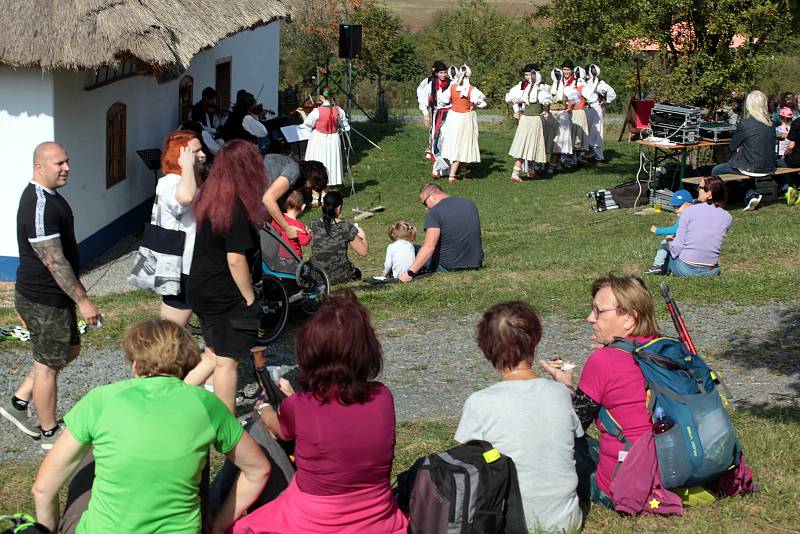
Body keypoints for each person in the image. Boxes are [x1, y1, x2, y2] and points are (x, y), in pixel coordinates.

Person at [31, 319, 270, 534]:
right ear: (187, 363)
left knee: (90, 456)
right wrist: (218, 526)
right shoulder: (206, 404)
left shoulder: (101, 399)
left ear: (135, 364)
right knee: (200, 450)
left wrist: (47, 529)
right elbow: (258, 470)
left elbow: (43, 489)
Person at [232, 292, 408, 534]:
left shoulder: (300, 406)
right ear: (366, 350)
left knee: (241, 526)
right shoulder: (382, 397)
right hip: (377, 515)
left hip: (314, 519)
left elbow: (279, 429)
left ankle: (220, 511)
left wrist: (263, 407)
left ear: (310, 353)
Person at [1, 142, 102, 450]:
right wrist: (83, 301)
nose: (66, 168)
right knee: (47, 366)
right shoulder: (38, 205)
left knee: (67, 351)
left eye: (67, 161)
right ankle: (48, 433)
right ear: (39, 167)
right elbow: (53, 260)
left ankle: (18, 400)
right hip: (43, 299)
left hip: (55, 298)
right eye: (59, 163)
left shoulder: (50, 197)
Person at [455, 301, 583, 532]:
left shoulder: (480, 402)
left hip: (510, 522)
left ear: (486, 348)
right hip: (566, 520)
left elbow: (469, 463)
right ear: (535, 342)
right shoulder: (560, 393)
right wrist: (566, 388)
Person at [539, 274, 659, 507]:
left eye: (598, 311)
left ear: (629, 317)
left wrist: (565, 386)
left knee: (549, 448)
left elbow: (571, 429)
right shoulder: (666, 348)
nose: (589, 318)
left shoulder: (604, 360)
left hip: (630, 484)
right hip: (675, 467)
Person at [188, 140, 266, 413]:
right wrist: (249, 297)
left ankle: (171, 401)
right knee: (227, 361)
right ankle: (227, 424)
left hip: (200, 287)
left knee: (211, 354)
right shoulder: (234, 207)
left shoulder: (211, 195)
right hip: (223, 293)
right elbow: (235, 260)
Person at [153, 130, 206, 326]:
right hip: (181, 267)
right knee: (170, 331)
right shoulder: (170, 182)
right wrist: (187, 167)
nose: (203, 155)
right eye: (196, 151)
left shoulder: (191, 180)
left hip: (197, 264)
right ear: (181, 156)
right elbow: (184, 199)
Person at [399, 183, 483, 282]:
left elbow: (429, 247)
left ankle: (399, 273)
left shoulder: (435, 212)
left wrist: (410, 274)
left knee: (408, 247)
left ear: (432, 197)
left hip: (448, 267)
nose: (426, 208)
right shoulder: (469, 203)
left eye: (425, 203)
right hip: (475, 264)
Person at [665, 176, 732, 277]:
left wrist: (669, 241)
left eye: (699, 188)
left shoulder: (689, 211)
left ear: (708, 194)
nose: (697, 191)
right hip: (711, 271)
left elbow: (676, 248)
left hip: (685, 269)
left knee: (669, 249)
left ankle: (662, 270)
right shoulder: (727, 217)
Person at [711, 90, 777, 177]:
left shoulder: (745, 124)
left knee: (715, 170)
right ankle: (749, 189)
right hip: (769, 167)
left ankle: (746, 190)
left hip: (750, 168)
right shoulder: (771, 124)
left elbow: (732, 146)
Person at [439, 64, 488, 184]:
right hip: (465, 118)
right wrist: (473, 105)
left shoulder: (453, 86)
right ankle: (452, 175)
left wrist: (453, 104)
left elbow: (444, 100)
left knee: (458, 144)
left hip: (453, 117)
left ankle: (464, 171)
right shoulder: (471, 89)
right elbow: (482, 103)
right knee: (463, 145)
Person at [297, 87, 350, 191]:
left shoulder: (317, 111)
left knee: (315, 164)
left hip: (318, 139)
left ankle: (316, 195)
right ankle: (326, 191)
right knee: (330, 163)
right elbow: (344, 125)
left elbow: (307, 125)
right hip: (333, 140)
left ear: (321, 97)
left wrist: (303, 113)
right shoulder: (339, 110)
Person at [309, 191, 368, 284]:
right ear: (339, 208)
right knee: (357, 273)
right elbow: (363, 252)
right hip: (341, 276)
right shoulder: (346, 227)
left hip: (318, 276)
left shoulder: (313, 225)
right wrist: (363, 236)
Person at [262, 154, 327, 236]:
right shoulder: (294, 171)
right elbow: (268, 200)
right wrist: (287, 228)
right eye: (314, 185)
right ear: (313, 175)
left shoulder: (290, 168)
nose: (312, 189)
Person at [506, 64, 550, 182]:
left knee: (533, 145)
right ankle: (515, 173)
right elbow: (511, 97)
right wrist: (516, 108)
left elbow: (546, 99)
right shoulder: (526, 88)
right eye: (528, 75)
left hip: (534, 119)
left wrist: (546, 111)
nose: (530, 77)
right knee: (525, 145)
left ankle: (530, 171)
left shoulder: (540, 87)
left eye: (532, 75)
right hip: (529, 119)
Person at [416, 60, 454, 178]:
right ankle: (437, 166)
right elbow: (422, 97)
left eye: (444, 73)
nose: (443, 75)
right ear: (436, 73)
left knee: (448, 138)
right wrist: (425, 113)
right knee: (436, 136)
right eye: (441, 73)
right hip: (437, 112)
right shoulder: (430, 83)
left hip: (450, 112)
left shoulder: (451, 83)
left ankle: (447, 168)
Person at [643, 189, 694, 275]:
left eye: (678, 206)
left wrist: (657, 230)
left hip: (686, 244)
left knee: (664, 243)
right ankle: (666, 269)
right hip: (688, 241)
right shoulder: (688, 214)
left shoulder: (685, 216)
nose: (676, 209)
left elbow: (675, 229)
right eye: (674, 207)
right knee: (669, 241)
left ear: (688, 204)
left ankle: (657, 266)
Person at [270, 190, 311, 258]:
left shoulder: (279, 219)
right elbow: (304, 242)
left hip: (280, 256)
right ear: (303, 207)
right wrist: (308, 233)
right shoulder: (299, 226)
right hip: (294, 257)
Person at [549, 66, 574, 171]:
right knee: (551, 140)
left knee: (560, 140)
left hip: (561, 114)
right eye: (556, 76)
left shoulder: (566, 88)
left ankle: (554, 164)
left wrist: (569, 107)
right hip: (551, 115)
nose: (558, 78)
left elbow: (574, 98)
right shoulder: (548, 88)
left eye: (559, 76)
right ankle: (551, 164)